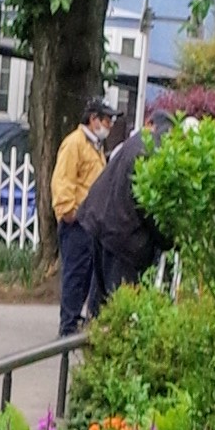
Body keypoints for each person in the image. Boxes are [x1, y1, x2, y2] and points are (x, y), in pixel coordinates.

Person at [78, 109, 167, 319]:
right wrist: (166, 239)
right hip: (123, 239)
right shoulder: (151, 150)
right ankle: (111, 346)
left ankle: (94, 341)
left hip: (100, 224)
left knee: (100, 302)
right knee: (121, 307)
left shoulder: (134, 143)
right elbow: (147, 206)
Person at [49, 98, 116, 335]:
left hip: (90, 221)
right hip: (77, 221)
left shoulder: (93, 146)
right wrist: (68, 213)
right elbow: (63, 180)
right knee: (75, 274)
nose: (110, 124)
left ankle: (74, 322)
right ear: (93, 119)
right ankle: (67, 326)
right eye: (107, 119)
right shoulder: (74, 144)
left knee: (87, 274)